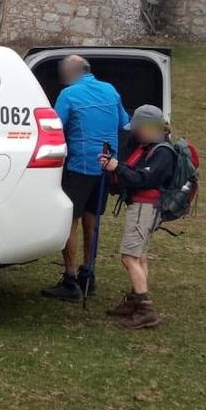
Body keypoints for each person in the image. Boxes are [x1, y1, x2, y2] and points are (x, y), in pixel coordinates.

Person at [41, 55, 129, 302]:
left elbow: (55, 127)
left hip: (80, 166)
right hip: (105, 167)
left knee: (71, 220)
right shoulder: (111, 90)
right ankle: (88, 273)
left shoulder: (69, 94)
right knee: (92, 222)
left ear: (72, 72)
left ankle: (70, 280)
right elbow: (125, 123)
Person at [99, 104, 175, 329]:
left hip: (145, 207)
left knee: (128, 257)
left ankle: (146, 308)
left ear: (149, 128)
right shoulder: (148, 147)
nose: (134, 132)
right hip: (142, 207)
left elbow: (142, 180)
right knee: (140, 256)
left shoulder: (162, 152)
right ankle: (135, 300)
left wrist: (116, 167)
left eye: (138, 128)